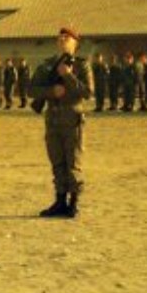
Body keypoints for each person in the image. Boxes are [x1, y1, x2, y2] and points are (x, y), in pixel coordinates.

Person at [31, 27, 93, 219]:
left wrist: (68, 76)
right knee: (57, 161)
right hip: (53, 119)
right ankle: (60, 200)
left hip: (72, 120)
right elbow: (32, 90)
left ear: (76, 43)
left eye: (67, 38)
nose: (63, 40)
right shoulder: (48, 66)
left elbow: (87, 92)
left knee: (73, 162)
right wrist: (51, 92)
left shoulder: (82, 66)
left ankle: (73, 203)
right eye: (60, 38)